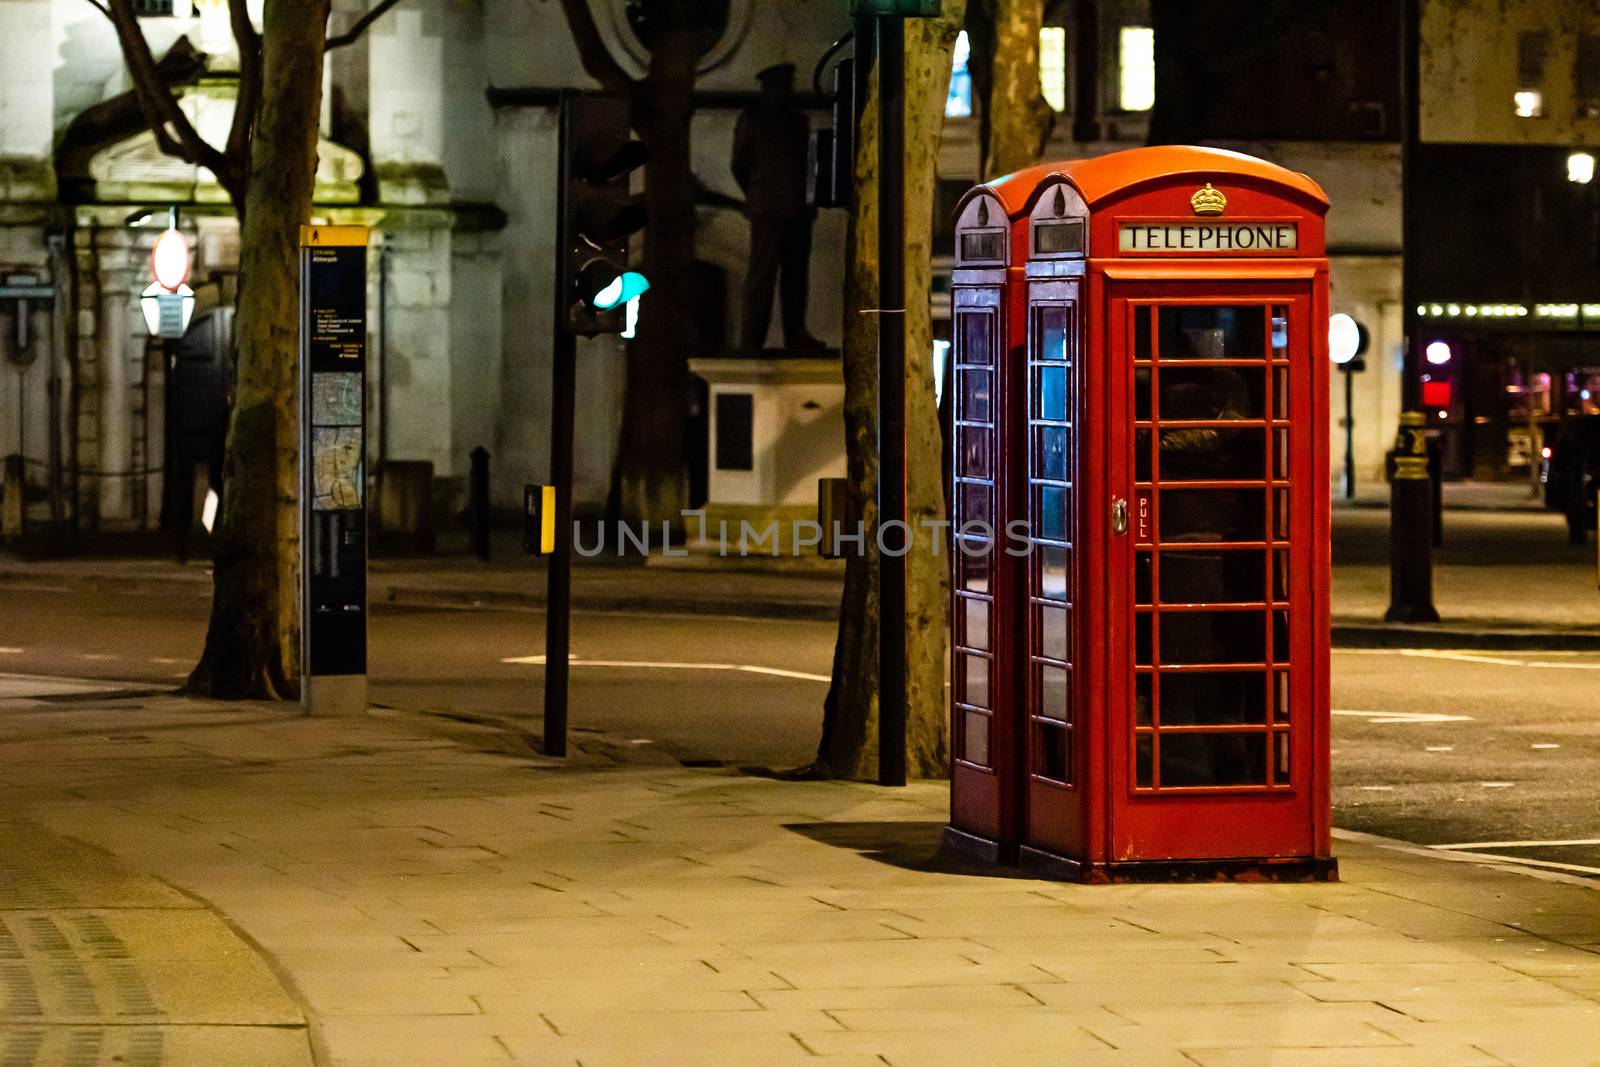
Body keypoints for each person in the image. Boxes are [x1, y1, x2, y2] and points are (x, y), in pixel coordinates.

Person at [732, 62, 827, 353]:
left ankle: (793, 334)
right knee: (763, 275)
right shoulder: (753, 118)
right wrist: (758, 196)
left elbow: (809, 165)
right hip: (771, 209)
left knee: (794, 276)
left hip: (794, 208)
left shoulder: (797, 121)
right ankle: (752, 338)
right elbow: (740, 165)